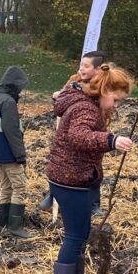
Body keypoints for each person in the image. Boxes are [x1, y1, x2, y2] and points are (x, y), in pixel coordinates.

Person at [45, 64, 134, 274]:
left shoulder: (89, 105)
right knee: (75, 236)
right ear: (104, 90)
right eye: (116, 100)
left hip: (74, 177)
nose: (116, 106)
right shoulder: (86, 108)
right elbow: (78, 136)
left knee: (81, 233)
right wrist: (111, 140)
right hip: (69, 179)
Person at [39, 50, 107, 215]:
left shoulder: (104, 84)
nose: (81, 69)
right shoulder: (75, 81)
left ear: (97, 69)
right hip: (73, 126)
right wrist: (58, 95)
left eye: (85, 66)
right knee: (65, 158)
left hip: (92, 126)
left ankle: (93, 202)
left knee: (93, 164)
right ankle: (55, 193)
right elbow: (62, 97)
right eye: (81, 65)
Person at [0, 66, 32, 238]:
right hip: (9, 154)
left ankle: (3, 221)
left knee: (5, 187)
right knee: (19, 186)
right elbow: (12, 131)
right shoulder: (8, 102)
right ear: (15, 86)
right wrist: (20, 155)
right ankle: (15, 226)